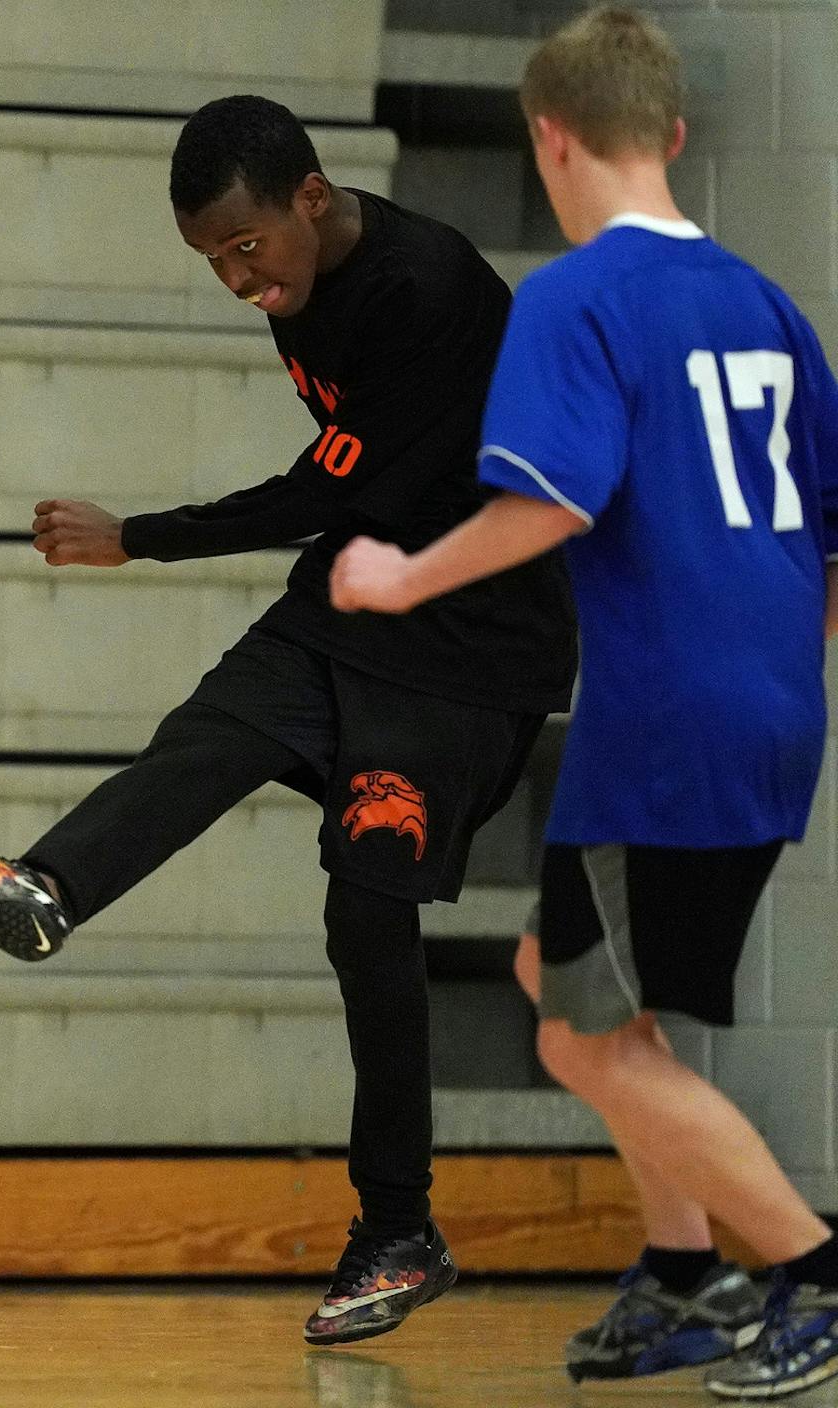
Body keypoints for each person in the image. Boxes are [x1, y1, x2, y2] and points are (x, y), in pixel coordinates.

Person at [0, 94, 577, 1344]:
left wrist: (133, 539)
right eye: (211, 261)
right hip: (351, 604)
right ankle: (44, 887)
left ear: (313, 195)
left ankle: (398, 1227)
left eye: (247, 248)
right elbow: (345, 501)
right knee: (206, 735)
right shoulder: (295, 289)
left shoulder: (428, 290)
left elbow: (316, 488)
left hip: (473, 650)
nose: (236, 279)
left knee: (368, 908)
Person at [330, 9, 838, 1397]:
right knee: (577, 992)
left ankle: (809, 1266)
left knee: (575, 1031)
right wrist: (782, 666)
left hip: (664, 719)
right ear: (672, 136)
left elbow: (551, 499)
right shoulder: (767, 300)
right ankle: (683, 1273)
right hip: (768, 708)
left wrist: (399, 576)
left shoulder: (575, 295)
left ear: (546, 138)